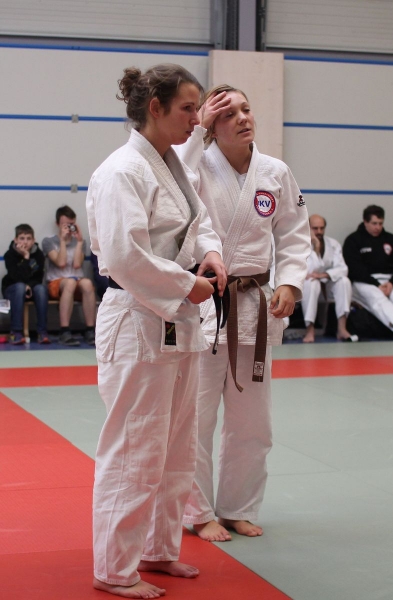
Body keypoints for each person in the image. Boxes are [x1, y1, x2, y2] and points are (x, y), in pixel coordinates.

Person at [86, 63, 227, 599]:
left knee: (176, 447)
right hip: (138, 318)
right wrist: (185, 284)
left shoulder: (171, 165)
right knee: (135, 447)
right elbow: (124, 255)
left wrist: (211, 254)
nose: (197, 119)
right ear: (155, 107)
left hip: (177, 318)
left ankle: (158, 549)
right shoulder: (122, 171)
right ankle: (114, 569)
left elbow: (199, 221)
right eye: (188, 108)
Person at [175, 84, 310, 543]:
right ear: (211, 126)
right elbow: (175, 195)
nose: (243, 118)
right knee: (196, 417)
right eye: (228, 113)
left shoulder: (275, 172)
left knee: (253, 420)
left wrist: (289, 281)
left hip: (254, 302)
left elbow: (294, 232)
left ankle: (238, 507)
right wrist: (195, 134)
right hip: (205, 302)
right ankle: (197, 511)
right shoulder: (194, 166)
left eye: (246, 109)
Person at [343, 205, 393, 341]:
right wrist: (376, 284)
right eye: (374, 223)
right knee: (377, 299)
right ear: (365, 222)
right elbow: (354, 269)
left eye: (380, 223)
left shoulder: (390, 239)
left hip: (389, 280)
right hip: (364, 282)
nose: (377, 227)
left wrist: (392, 283)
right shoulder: (353, 240)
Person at [42, 205, 97, 346]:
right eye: (65, 225)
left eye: (71, 224)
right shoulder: (48, 242)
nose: (69, 228)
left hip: (76, 280)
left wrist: (79, 242)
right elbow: (61, 263)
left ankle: (90, 329)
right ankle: (64, 331)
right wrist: (62, 240)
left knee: (87, 284)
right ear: (57, 224)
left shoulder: (80, 242)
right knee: (70, 283)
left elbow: (77, 264)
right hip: (56, 283)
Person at [301, 214, 356, 343]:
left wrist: (323, 275)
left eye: (322, 228)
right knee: (312, 282)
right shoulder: (301, 244)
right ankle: (310, 329)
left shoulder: (333, 244)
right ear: (307, 227)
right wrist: (316, 247)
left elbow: (343, 269)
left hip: (327, 288)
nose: (319, 231)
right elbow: (309, 272)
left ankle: (342, 328)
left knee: (344, 281)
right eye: (315, 228)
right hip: (308, 289)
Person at [2, 224, 50, 344]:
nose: (25, 242)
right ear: (16, 240)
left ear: (33, 240)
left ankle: (42, 332)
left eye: (28, 238)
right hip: (12, 289)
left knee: (41, 289)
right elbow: (15, 277)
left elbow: (39, 277)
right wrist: (26, 257)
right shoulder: (10, 255)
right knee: (20, 287)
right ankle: (16, 332)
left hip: (32, 288)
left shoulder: (38, 255)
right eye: (22, 238)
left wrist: (29, 286)